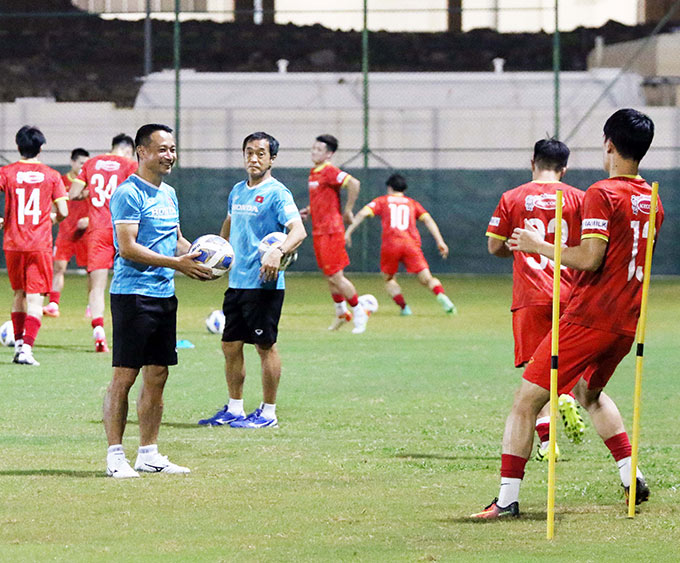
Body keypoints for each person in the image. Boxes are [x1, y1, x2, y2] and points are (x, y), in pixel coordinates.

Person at [472, 108, 664, 518]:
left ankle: (506, 500)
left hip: (587, 318)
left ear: (609, 144)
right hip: (627, 323)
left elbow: (591, 258)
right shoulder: (653, 198)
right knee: (588, 394)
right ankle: (631, 474)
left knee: (525, 402)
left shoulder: (603, 191)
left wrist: (535, 245)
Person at [103, 123, 212, 479]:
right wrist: (177, 264)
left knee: (158, 374)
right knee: (125, 376)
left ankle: (148, 453)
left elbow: (176, 239)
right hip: (133, 295)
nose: (169, 155)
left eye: (173, 149)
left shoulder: (170, 194)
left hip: (164, 294)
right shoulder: (128, 193)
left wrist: (202, 257)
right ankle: (115, 456)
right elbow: (128, 247)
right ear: (142, 151)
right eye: (162, 149)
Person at [485, 139, 586, 461]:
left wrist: (515, 249)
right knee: (564, 365)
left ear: (533, 162)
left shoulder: (512, 197)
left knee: (535, 372)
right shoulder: (580, 199)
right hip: (570, 293)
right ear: (564, 168)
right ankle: (566, 397)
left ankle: (547, 440)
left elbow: (494, 246)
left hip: (531, 295)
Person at [198, 131, 306, 429]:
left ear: (272, 158)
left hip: (264, 285)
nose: (254, 158)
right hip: (237, 283)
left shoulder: (278, 193)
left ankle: (268, 413)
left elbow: (298, 231)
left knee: (264, 347)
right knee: (230, 346)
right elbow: (230, 222)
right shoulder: (237, 191)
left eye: (260, 153)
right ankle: (234, 409)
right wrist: (216, 255)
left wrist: (278, 251)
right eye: (249, 152)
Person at [0, 126, 68, 366]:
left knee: (18, 294)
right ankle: (26, 349)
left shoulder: (6, 172)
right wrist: (51, 219)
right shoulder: (51, 175)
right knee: (35, 297)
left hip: (12, 243)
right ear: (41, 147)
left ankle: (18, 347)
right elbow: (64, 211)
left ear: (18, 146)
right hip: (38, 244)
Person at [345, 173, 456, 315]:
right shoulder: (412, 203)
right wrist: (440, 241)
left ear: (389, 187)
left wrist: (348, 232)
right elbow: (428, 220)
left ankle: (404, 308)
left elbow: (362, 214)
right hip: (411, 244)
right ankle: (442, 296)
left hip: (391, 245)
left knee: (389, 279)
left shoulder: (383, 201)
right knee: (427, 279)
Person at [69, 134, 137, 352]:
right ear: (128, 150)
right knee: (129, 282)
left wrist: (92, 194)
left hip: (97, 230)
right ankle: (129, 331)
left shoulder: (90, 163)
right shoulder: (129, 164)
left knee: (97, 286)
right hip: (122, 229)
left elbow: (73, 194)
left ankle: (98, 331)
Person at [299, 134, 370, 334]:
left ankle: (359, 312)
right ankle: (341, 313)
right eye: (313, 148)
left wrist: (348, 210)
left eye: (319, 150)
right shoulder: (315, 172)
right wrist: (309, 210)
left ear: (329, 154)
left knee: (337, 277)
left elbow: (354, 184)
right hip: (319, 230)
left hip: (331, 230)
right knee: (330, 277)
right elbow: (323, 198)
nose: (314, 152)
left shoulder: (330, 171)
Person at [43, 148, 91, 318]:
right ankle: (53, 304)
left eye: (86, 164)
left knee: (91, 270)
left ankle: (92, 305)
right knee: (59, 268)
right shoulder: (62, 181)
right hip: (66, 232)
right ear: (72, 162)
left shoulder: (91, 183)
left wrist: (89, 220)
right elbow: (55, 204)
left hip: (86, 233)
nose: (83, 167)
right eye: (81, 163)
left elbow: (101, 208)